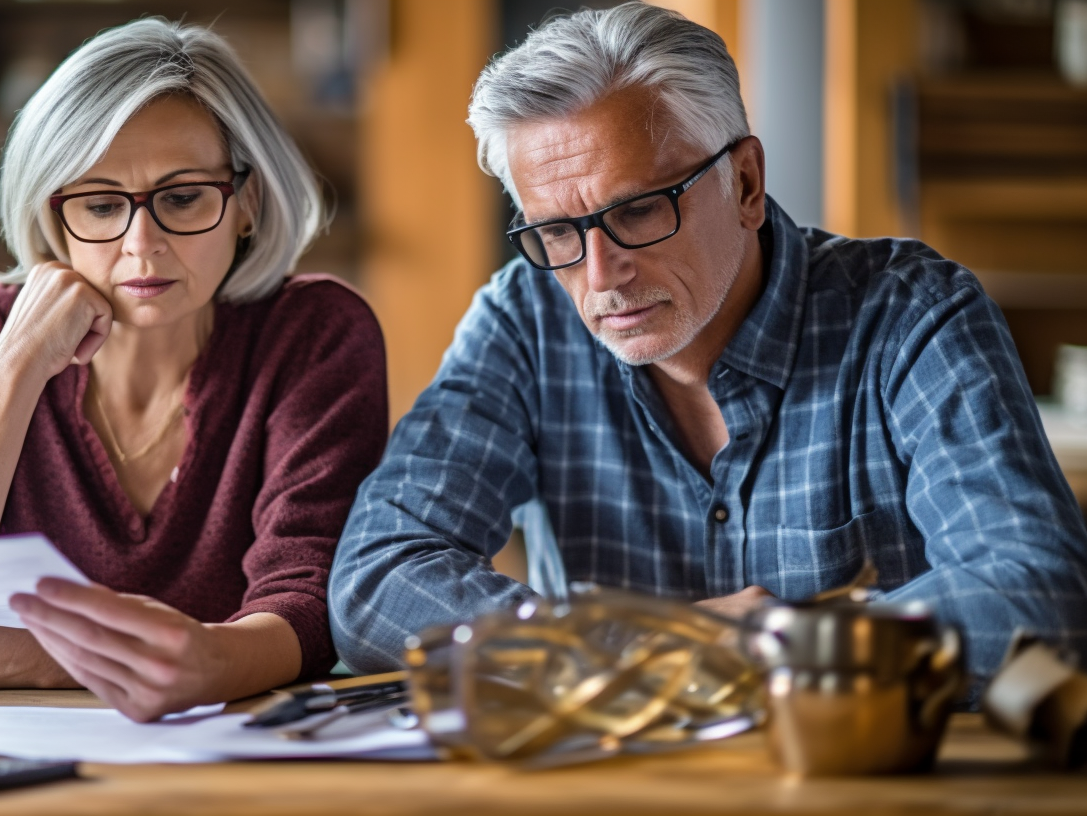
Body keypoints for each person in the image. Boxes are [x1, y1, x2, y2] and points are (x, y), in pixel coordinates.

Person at [329, 4, 1087, 690]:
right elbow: (376, 581)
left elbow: (1034, 596)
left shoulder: (910, 314)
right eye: (558, 232)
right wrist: (641, 645)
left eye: (639, 211)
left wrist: (767, 646)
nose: (600, 277)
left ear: (747, 182)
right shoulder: (524, 320)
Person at [0, 18, 388, 721]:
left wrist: (36, 657)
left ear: (246, 203)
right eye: (100, 206)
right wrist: (13, 368)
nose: (142, 246)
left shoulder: (312, 335)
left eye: (183, 197)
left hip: (232, 758)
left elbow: (311, 609)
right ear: (53, 217)